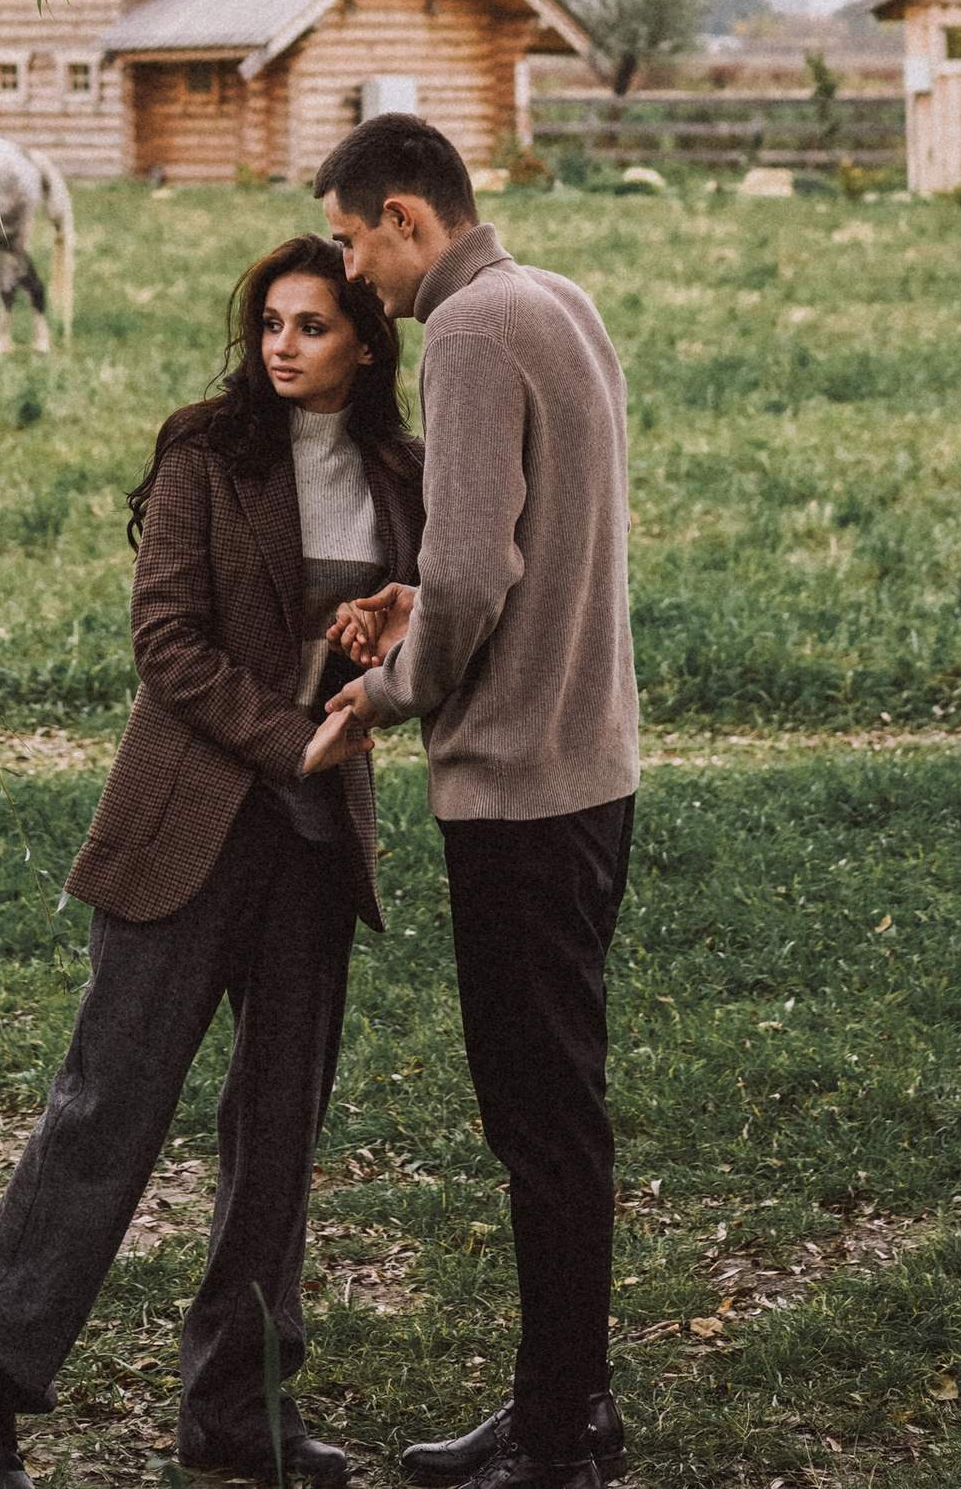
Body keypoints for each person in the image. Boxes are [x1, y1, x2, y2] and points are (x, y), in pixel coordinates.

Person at [0, 234, 425, 1489]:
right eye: (269, 325)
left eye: (310, 326)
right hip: (188, 824)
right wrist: (287, 739)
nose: (281, 347)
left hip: (313, 846)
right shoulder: (207, 451)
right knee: (108, 1111)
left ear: (365, 338)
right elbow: (167, 641)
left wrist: (388, 635)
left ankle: (236, 1410)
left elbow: (421, 619)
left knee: (277, 1136)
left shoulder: (401, 471)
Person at [306, 116, 639, 1489]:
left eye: (347, 237)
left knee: (539, 1121)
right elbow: (532, 540)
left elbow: (478, 580)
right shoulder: (557, 299)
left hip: (517, 788)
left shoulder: (468, 330)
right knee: (557, 1109)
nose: (347, 272)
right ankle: (565, 1403)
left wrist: (381, 693)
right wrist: (424, 598)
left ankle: (560, 1436)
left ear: (405, 214)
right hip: (593, 769)